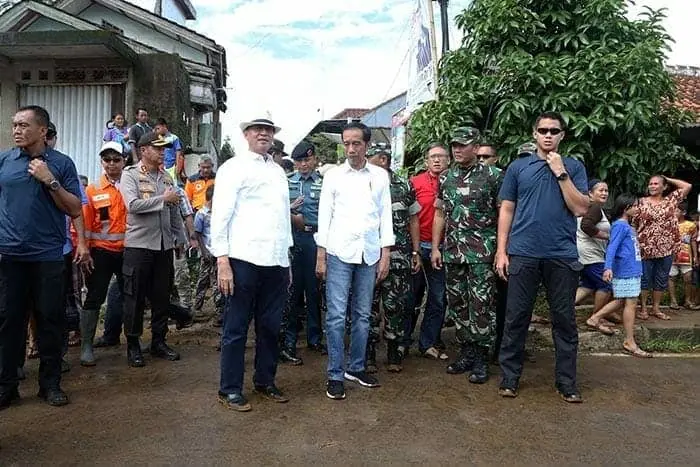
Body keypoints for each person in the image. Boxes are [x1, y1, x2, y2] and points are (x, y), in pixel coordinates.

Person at [495, 111, 589, 403]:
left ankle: (566, 383)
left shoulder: (573, 166)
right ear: (534, 134)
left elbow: (580, 208)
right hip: (522, 253)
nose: (548, 135)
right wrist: (501, 250)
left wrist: (560, 172)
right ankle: (509, 379)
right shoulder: (518, 168)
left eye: (554, 130)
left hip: (561, 255)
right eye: (543, 130)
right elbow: (507, 209)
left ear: (562, 135)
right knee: (515, 318)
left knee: (564, 320)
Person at [0, 106, 82, 408]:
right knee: (8, 321)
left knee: (50, 320)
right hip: (9, 256)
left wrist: (50, 180)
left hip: (47, 257)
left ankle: (50, 384)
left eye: (23, 125)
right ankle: (6, 385)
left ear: (43, 131)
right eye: (14, 125)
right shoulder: (5, 162)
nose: (17, 130)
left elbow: (74, 207)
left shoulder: (61, 164)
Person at [211, 117, 292, 412]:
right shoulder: (232, 168)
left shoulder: (277, 171)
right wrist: (222, 260)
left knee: (270, 326)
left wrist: (287, 261)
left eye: (269, 129)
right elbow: (220, 215)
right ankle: (230, 388)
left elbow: (283, 219)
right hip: (242, 258)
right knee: (236, 327)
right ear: (246, 134)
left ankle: (265, 380)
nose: (263, 133)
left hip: (276, 261)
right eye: (258, 129)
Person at [315, 122, 394, 400]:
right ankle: (335, 373)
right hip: (339, 251)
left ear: (366, 145)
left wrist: (386, 253)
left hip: (369, 253)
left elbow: (385, 216)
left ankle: (356, 367)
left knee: (363, 315)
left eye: (356, 143)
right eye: (346, 143)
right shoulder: (334, 176)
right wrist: (321, 254)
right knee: (336, 316)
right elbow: (324, 215)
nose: (350, 148)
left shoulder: (380, 176)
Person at [432, 127, 502, 383]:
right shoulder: (445, 178)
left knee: (482, 306)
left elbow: (504, 214)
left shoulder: (494, 176)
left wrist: (502, 250)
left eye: (463, 145)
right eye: (454, 146)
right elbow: (440, 214)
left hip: (482, 253)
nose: (458, 150)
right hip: (453, 252)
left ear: (476, 146)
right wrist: (436, 248)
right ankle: (467, 353)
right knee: (458, 304)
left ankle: (482, 357)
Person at [120, 131, 183, 367]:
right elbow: (133, 205)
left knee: (161, 296)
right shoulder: (131, 175)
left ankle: (159, 341)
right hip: (139, 246)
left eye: (165, 149)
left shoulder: (167, 177)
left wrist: (180, 237)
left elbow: (174, 209)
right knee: (134, 297)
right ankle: (133, 344)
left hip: (164, 246)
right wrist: (162, 200)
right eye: (158, 148)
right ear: (144, 150)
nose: (163, 152)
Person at [366, 142, 421, 373]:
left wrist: (416, 251)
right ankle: (367, 352)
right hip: (368, 256)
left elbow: (413, 220)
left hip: (399, 257)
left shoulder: (403, 185)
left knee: (396, 305)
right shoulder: (362, 183)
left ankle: (393, 351)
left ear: (383, 160)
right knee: (367, 306)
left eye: (372, 157)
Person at [79, 141, 128, 366]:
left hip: (129, 251)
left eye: (116, 159)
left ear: (124, 161)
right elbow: (86, 224)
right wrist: (85, 251)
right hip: (101, 253)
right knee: (94, 298)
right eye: (106, 160)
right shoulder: (93, 189)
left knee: (131, 296)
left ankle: (129, 341)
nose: (111, 164)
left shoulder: (131, 186)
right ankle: (87, 345)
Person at [279, 141, 325, 365]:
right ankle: (289, 340)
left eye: (307, 160)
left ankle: (315, 338)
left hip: (316, 240)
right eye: (299, 161)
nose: (303, 165)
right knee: (293, 291)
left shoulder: (325, 183)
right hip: (294, 240)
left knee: (315, 291)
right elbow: (278, 211)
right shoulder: (286, 183)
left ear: (315, 159)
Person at [405, 143, 450, 360]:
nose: (437, 160)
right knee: (410, 296)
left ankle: (428, 342)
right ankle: (403, 341)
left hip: (444, 248)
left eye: (441, 156)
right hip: (417, 246)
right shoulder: (414, 183)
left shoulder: (454, 182)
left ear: (448, 159)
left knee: (438, 297)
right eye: (433, 157)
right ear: (426, 161)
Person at [598, 194, 652, 358]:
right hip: (626, 270)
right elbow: (612, 247)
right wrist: (608, 267)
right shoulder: (620, 226)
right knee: (630, 303)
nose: (638, 208)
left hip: (632, 269)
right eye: (635, 205)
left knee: (625, 301)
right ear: (625, 208)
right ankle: (629, 340)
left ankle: (596, 318)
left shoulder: (627, 226)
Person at [634, 175, 691, 320]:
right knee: (645, 279)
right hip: (645, 247)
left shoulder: (670, 200)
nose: (652, 186)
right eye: (650, 184)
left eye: (656, 183)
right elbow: (632, 223)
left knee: (661, 279)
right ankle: (644, 309)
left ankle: (656, 308)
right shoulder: (641, 202)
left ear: (664, 187)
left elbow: (687, 186)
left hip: (667, 248)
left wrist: (666, 178)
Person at [575, 180, 617, 335]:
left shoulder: (586, 207)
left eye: (606, 190)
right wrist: (606, 236)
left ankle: (560, 311)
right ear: (590, 194)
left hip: (585, 253)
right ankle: (596, 317)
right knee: (606, 285)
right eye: (600, 190)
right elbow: (586, 226)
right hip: (591, 254)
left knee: (588, 285)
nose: (604, 193)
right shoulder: (595, 208)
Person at [193, 185, 224, 321]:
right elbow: (197, 234)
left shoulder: (221, 213)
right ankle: (197, 307)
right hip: (207, 252)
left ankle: (219, 311)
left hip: (218, 252)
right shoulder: (202, 214)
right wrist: (203, 250)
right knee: (203, 280)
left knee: (218, 282)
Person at [668, 203, 698, 310]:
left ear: (683, 213)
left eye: (676, 211)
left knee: (688, 278)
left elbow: (693, 241)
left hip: (686, 256)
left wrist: (695, 257)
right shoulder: (669, 224)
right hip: (671, 256)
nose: (674, 213)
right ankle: (673, 301)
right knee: (671, 278)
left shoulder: (691, 225)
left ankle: (687, 301)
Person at [154, 118, 185, 185]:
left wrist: (177, 165)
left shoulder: (174, 138)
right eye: (156, 129)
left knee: (172, 184)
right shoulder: (157, 139)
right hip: (160, 166)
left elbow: (178, 152)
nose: (157, 131)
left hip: (171, 166)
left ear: (164, 126)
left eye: (158, 128)